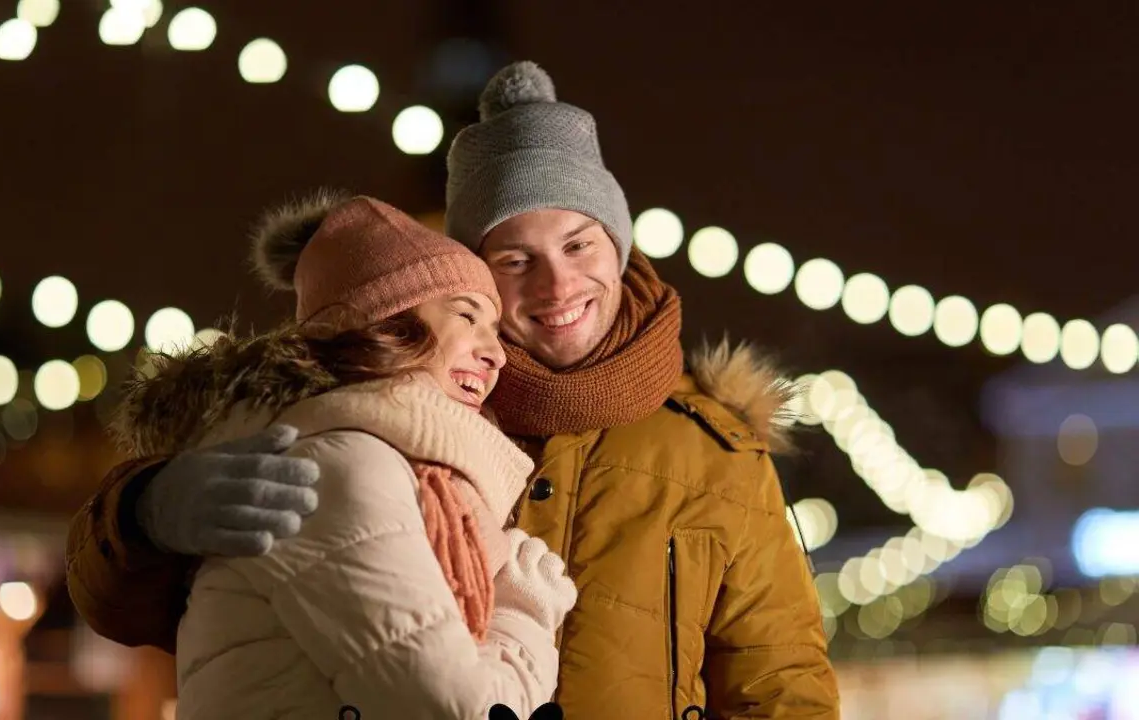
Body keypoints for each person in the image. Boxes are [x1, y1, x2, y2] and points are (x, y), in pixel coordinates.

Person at [67, 62, 840, 718]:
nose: (557, 283)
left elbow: (782, 687)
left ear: (620, 244)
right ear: (470, 273)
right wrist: (147, 512)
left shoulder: (715, 453)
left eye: (578, 243)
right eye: (513, 259)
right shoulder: (400, 407)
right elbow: (131, 607)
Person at [112, 192, 576, 719]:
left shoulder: (388, 462)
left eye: (493, 329)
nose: (494, 354)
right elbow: (455, 711)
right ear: (385, 323)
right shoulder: (339, 466)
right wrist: (523, 608)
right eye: (466, 316)